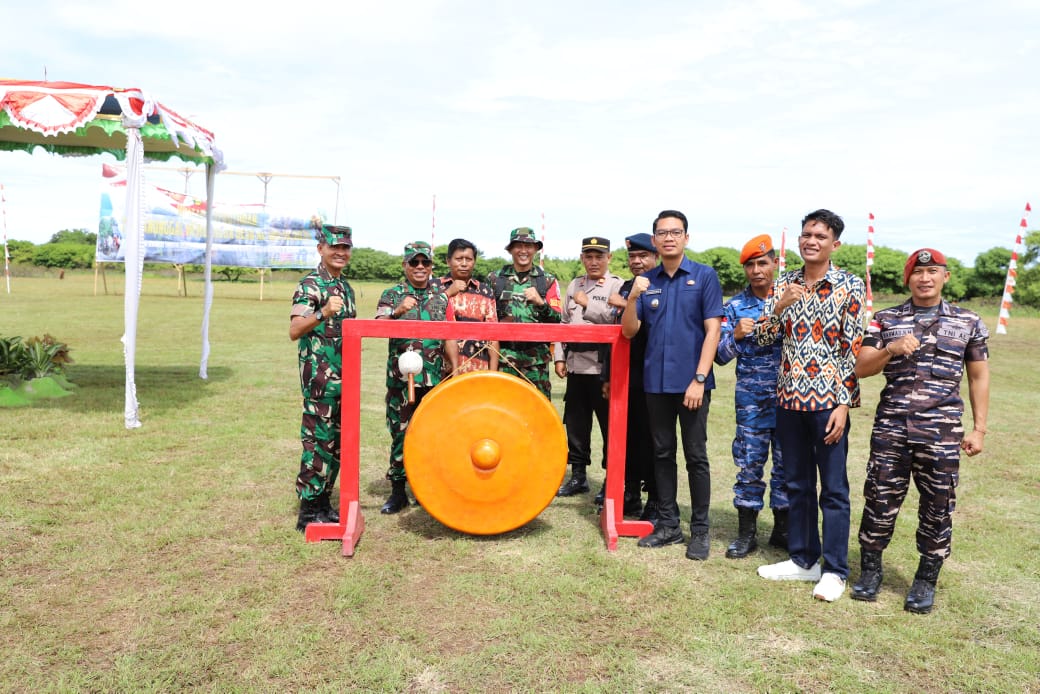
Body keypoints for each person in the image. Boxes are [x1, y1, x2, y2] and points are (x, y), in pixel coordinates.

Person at [850, 248, 990, 614]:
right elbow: (862, 367)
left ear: (945, 276)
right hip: (892, 430)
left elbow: (978, 375)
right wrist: (891, 349)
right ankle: (870, 572)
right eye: (918, 272)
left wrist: (979, 429)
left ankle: (926, 579)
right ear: (908, 278)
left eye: (933, 271)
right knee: (879, 500)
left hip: (942, 433)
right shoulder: (886, 319)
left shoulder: (968, 321)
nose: (924, 278)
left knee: (938, 506)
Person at [755, 209, 864, 603]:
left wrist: (845, 403)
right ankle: (803, 560)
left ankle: (835, 569)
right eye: (806, 234)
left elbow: (853, 349)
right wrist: (781, 304)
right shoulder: (784, 283)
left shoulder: (849, 286)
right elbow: (765, 337)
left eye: (819, 235)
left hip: (828, 403)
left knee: (833, 488)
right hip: (789, 399)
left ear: (834, 243)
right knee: (797, 484)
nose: (810, 241)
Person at [622, 210, 723, 560]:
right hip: (656, 384)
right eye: (662, 233)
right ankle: (668, 526)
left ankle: (700, 530)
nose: (669, 238)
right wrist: (634, 296)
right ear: (654, 240)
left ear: (686, 238)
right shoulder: (647, 281)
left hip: (692, 384)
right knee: (662, 454)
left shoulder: (704, 276)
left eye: (675, 232)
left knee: (696, 456)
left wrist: (698, 378)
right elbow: (629, 331)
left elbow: (713, 330)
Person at [715, 234, 788, 558]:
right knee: (748, 466)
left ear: (774, 263)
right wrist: (737, 335)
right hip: (752, 402)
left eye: (763, 262)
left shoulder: (791, 299)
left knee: (788, 467)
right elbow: (719, 355)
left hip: (791, 399)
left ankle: (783, 531)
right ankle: (747, 534)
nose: (757, 270)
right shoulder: (734, 308)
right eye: (750, 265)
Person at [375, 241, 458, 514]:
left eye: (425, 263)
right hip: (401, 380)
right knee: (401, 433)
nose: (420, 267)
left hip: (434, 379)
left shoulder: (441, 296)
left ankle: (426, 490)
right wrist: (397, 312)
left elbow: (449, 334)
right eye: (414, 262)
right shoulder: (391, 294)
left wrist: (455, 369)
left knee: (432, 435)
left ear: (432, 266)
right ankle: (398, 492)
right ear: (405, 265)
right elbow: (376, 327)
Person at [289, 224, 357, 531]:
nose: (341, 253)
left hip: (346, 379)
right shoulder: (311, 285)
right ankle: (308, 509)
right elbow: (294, 330)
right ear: (321, 249)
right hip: (320, 380)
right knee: (318, 444)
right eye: (334, 247)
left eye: (345, 248)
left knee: (338, 444)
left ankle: (325, 503)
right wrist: (323, 313)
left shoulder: (347, 288)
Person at [554, 237, 624, 498]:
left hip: (602, 368)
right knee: (576, 424)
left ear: (609, 258)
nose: (594, 261)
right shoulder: (574, 284)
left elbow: (615, 320)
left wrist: (587, 304)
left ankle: (611, 479)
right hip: (576, 367)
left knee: (609, 426)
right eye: (589, 256)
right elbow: (563, 323)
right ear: (582, 258)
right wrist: (560, 356)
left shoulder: (617, 285)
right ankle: (578, 475)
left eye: (599, 256)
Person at [602, 232, 660, 521]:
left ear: (656, 256)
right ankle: (630, 494)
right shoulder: (626, 288)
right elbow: (614, 337)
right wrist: (607, 375)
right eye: (633, 257)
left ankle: (655, 497)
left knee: (653, 439)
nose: (637, 261)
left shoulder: (664, 285)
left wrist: (626, 304)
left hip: (657, 376)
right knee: (626, 437)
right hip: (627, 376)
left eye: (643, 256)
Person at [487, 227, 562, 399]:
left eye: (528, 246)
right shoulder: (495, 279)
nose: (523, 251)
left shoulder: (547, 280)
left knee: (538, 411)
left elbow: (558, 320)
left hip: (536, 361)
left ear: (536, 249)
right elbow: (486, 318)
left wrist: (541, 303)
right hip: (504, 358)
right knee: (503, 411)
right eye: (518, 246)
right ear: (510, 249)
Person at [438, 238, 499, 374]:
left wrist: (493, 373)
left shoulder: (485, 291)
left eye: (469, 259)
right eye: (459, 259)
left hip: (477, 370)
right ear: (448, 261)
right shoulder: (435, 287)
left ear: (474, 261)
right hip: (442, 371)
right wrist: (447, 293)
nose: (464, 264)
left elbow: (493, 335)